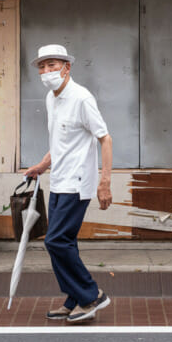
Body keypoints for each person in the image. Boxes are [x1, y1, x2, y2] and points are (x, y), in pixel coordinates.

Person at [23, 43, 114, 325]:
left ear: (67, 67)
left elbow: (105, 138)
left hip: (78, 182)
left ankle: (91, 294)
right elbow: (61, 143)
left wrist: (105, 182)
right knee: (65, 243)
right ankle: (74, 298)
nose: (47, 71)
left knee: (55, 241)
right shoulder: (51, 98)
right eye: (42, 66)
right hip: (59, 179)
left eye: (53, 65)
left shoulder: (82, 98)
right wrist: (42, 165)